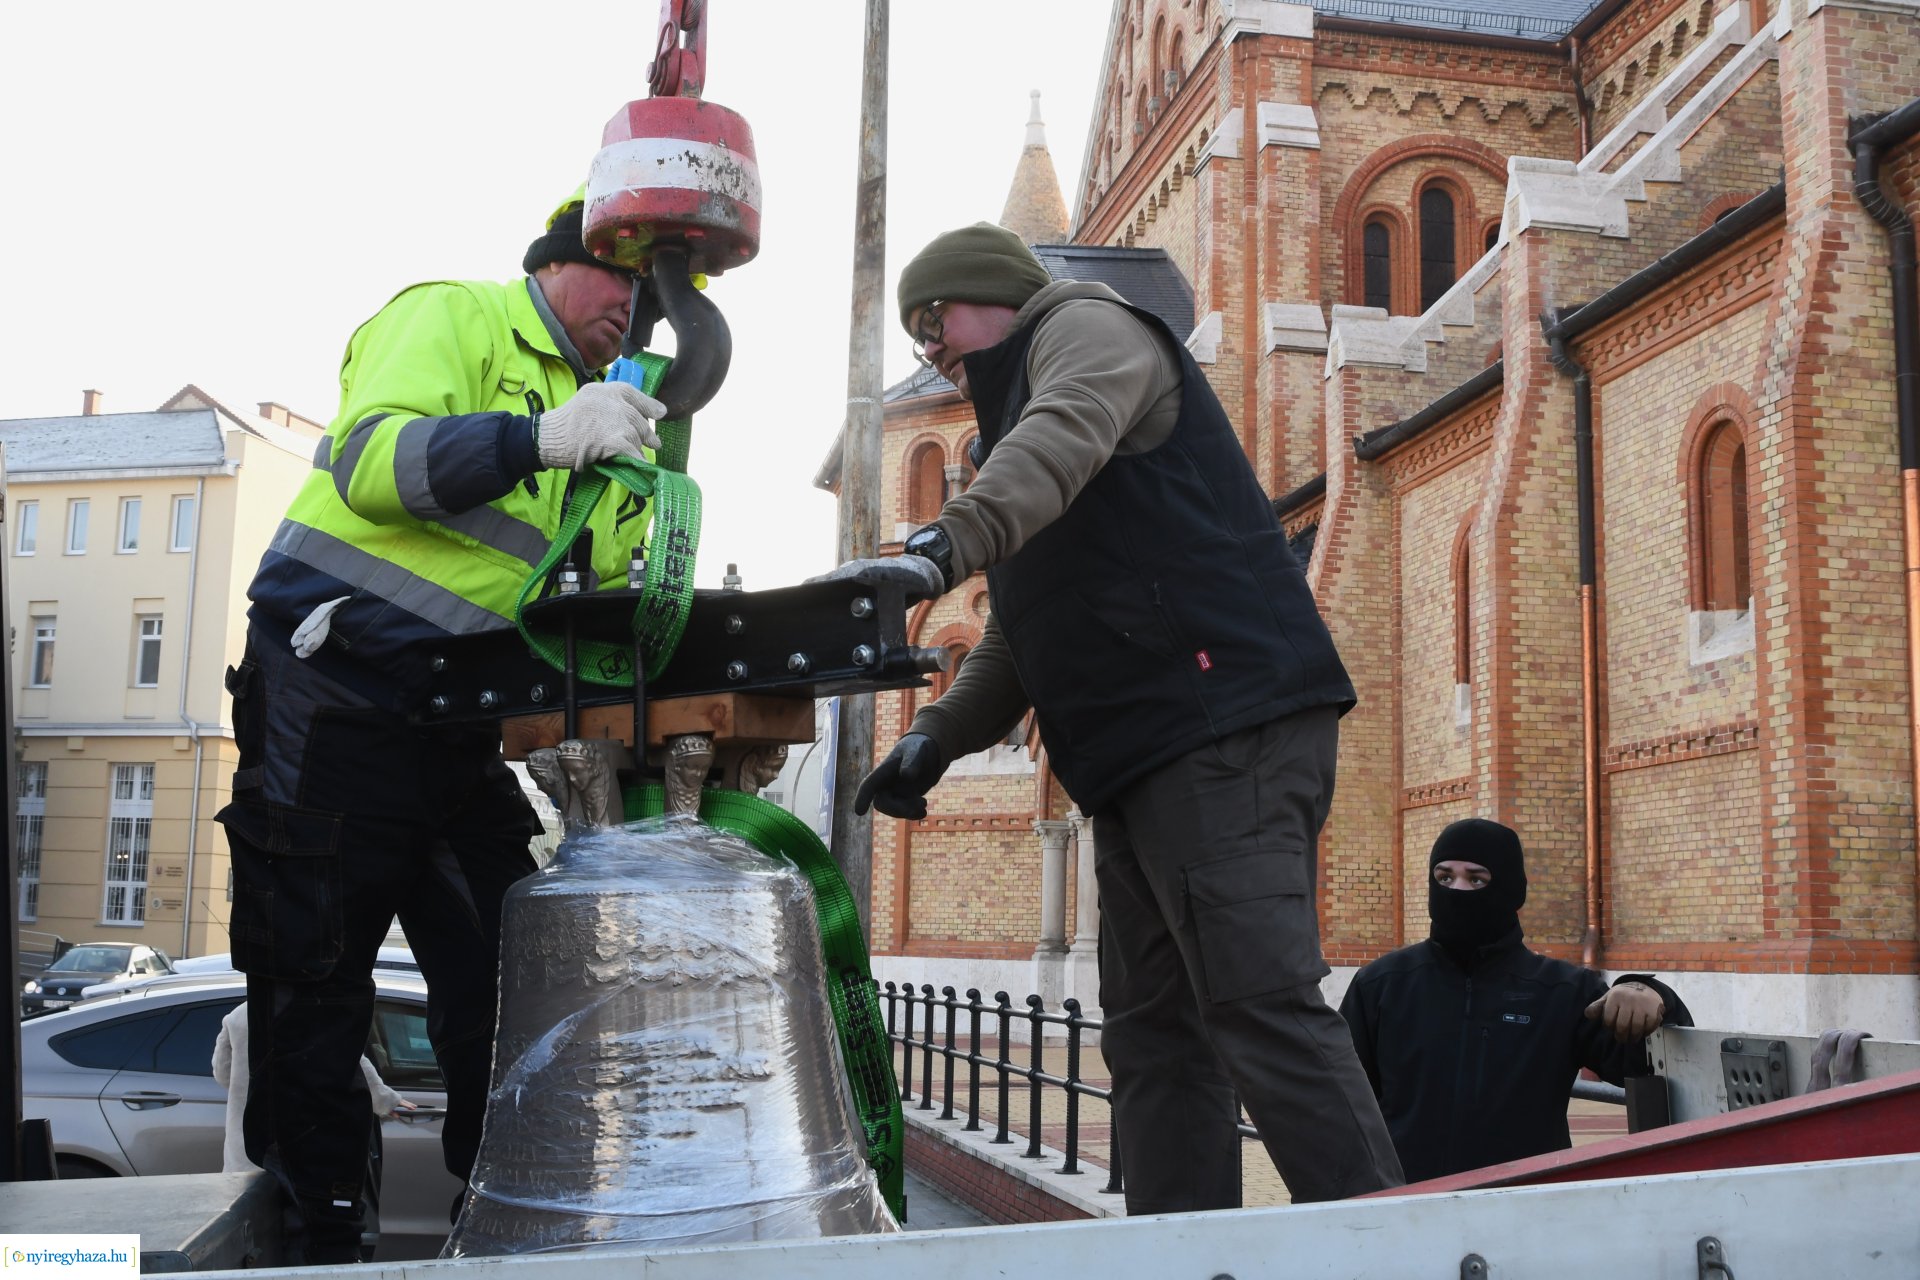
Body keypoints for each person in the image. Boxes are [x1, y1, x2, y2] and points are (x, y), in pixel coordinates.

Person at [830, 222, 1404, 1212]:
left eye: (936, 318)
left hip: (1222, 722)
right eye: (917, 331)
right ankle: (1179, 1254)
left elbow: (1059, 441)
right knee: (1154, 1034)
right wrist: (935, 738)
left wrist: (937, 547)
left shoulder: (1088, 329)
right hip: (1143, 757)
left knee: (1258, 1002)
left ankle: (1398, 1253)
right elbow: (1021, 633)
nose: (928, 347)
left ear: (998, 296)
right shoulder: (1014, 441)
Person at [216, 191, 665, 1263]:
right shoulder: (456, 317)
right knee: (312, 972)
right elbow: (375, 465)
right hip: (334, 687)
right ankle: (318, 1223)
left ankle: (504, 1208)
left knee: (515, 969)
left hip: (453, 725)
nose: (633, 307)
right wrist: (538, 438)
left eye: (650, 294)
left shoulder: (610, 411)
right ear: (557, 265)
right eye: (617, 277)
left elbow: (594, 596)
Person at [1339, 817, 1693, 1183]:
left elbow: (1642, 1064)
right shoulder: (1382, 985)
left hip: (1525, 1208)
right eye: (1444, 878)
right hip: (1405, 1207)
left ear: (1510, 890)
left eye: (1477, 879)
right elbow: (1337, 1103)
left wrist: (1652, 993)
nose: (1457, 891)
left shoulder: (1563, 991)